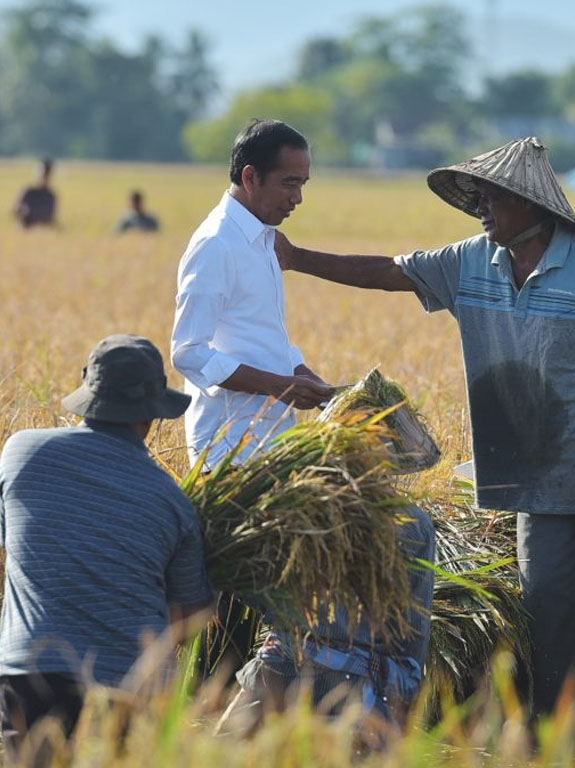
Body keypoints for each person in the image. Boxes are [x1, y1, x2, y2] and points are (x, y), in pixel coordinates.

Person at [273, 137, 575, 713]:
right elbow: (390, 271)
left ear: (532, 206)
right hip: (535, 486)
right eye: (478, 200)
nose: (480, 210)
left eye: (491, 199)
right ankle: (559, 732)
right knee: (549, 614)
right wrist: (298, 259)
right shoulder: (469, 262)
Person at [171, 118, 335, 677]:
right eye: (289, 183)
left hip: (270, 440)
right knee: (232, 589)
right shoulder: (217, 243)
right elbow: (188, 352)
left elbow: (263, 333)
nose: (298, 197)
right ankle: (207, 697)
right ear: (249, 176)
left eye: (304, 184)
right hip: (229, 448)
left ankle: (254, 698)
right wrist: (279, 386)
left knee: (269, 582)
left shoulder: (263, 240)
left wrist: (300, 371)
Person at [0, 335, 213, 754]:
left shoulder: (20, 453)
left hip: (28, 681)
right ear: (152, 414)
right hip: (125, 694)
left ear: (89, 394)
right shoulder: (172, 502)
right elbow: (189, 617)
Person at [218, 509, 436, 732]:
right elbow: (411, 636)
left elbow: (252, 590)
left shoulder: (290, 505)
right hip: (354, 694)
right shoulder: (413, 522)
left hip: (277, 676)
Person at [13, 157, 57, 228]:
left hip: (44, 231)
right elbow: (15, 211)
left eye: (47, 174)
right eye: (43, 174)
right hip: (26, 229)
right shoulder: (28, 191)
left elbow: (52, 218)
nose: (44, 176)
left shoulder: (51, 195)